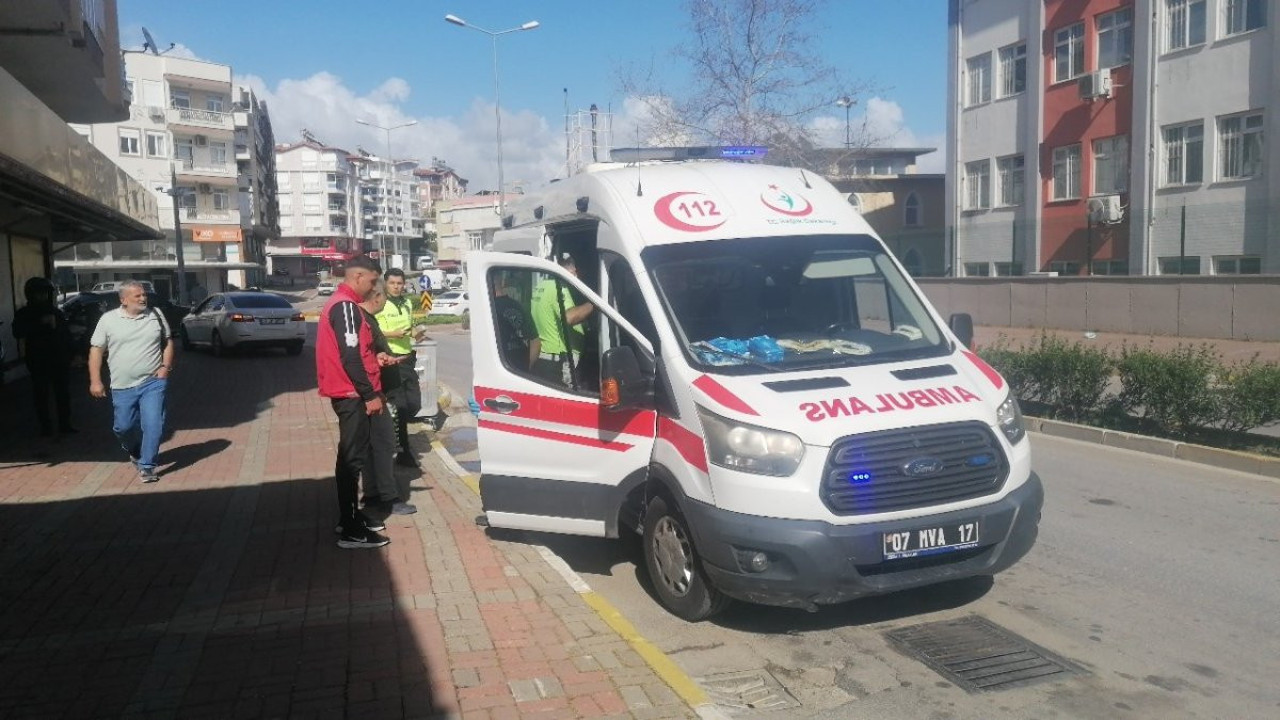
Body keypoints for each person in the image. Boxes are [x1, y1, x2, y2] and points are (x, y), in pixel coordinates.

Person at [316, 256, 392, 549]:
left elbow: (357, 352)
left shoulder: (342, 305)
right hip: (352, 394)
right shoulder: (346, 306)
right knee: (351, 459)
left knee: (350, 456)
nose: (373, 288)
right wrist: (370, 394)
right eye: (373, 281)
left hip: (350, 391)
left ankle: (349, 517)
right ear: (358, 277)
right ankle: (350, 529)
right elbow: (349, 358)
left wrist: (376, 358)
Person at [88, 281, 174, 483]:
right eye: (137, 296)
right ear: (123, 300)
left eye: (144, 295)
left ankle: (147, 466)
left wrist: (165, 367)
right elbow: (96, 350)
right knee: (123, 427)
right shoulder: (108, 320)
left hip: (152, 382)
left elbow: (168, 342)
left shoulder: (156, 315)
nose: (143, 299)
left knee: (153, 424)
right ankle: (135, 450)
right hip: (121, 385)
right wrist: (95, 381)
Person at [360, 280, 417, 516]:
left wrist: (382, 357)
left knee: (372, 447)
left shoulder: (365, 320)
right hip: (374, 393)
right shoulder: (365, 320)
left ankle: (373, 494)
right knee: (384, 446)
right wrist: (380, 362)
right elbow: (359, 360)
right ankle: (388, 496)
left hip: (375, 390)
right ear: (377, 297)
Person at [12, 277, 76, 437]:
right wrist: (38, 323)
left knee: (63, 393)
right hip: (38, 360)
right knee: (41, 394)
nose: (43, 297)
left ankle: (65, 424)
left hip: (59, 359)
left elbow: (66, 335)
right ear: (30, 295)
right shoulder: (24, 313)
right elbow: (17, 332)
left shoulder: (56, 312)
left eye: (45, 294)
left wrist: (73, 353)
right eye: (39, 294)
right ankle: (46, 427)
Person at [374, 268, 423, 468]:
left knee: (414, 403)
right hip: (390, 359)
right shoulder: (379, 304)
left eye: (400, 283)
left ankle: (390, 432)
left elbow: (410, 327)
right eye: (392, 283)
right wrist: (391, 334)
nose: (396, 286)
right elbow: (373, 332)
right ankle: (403, 451)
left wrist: (417, 333)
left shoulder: (407, 303)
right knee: (401, 406)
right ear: (386, 283)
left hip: (408, 358)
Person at [530, 252, 594, 387]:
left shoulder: (541, 286)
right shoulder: (558, 287)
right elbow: (569, 317)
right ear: (574, 271)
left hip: (545, 359)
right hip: (559, 362)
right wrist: (594, 303)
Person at [493, 270, 539, 372]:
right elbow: (535, 341)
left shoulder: (486, 309)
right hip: (519, 370)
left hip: (496, 372)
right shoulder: (518, 307)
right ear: (503, 282)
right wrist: (528, 369)